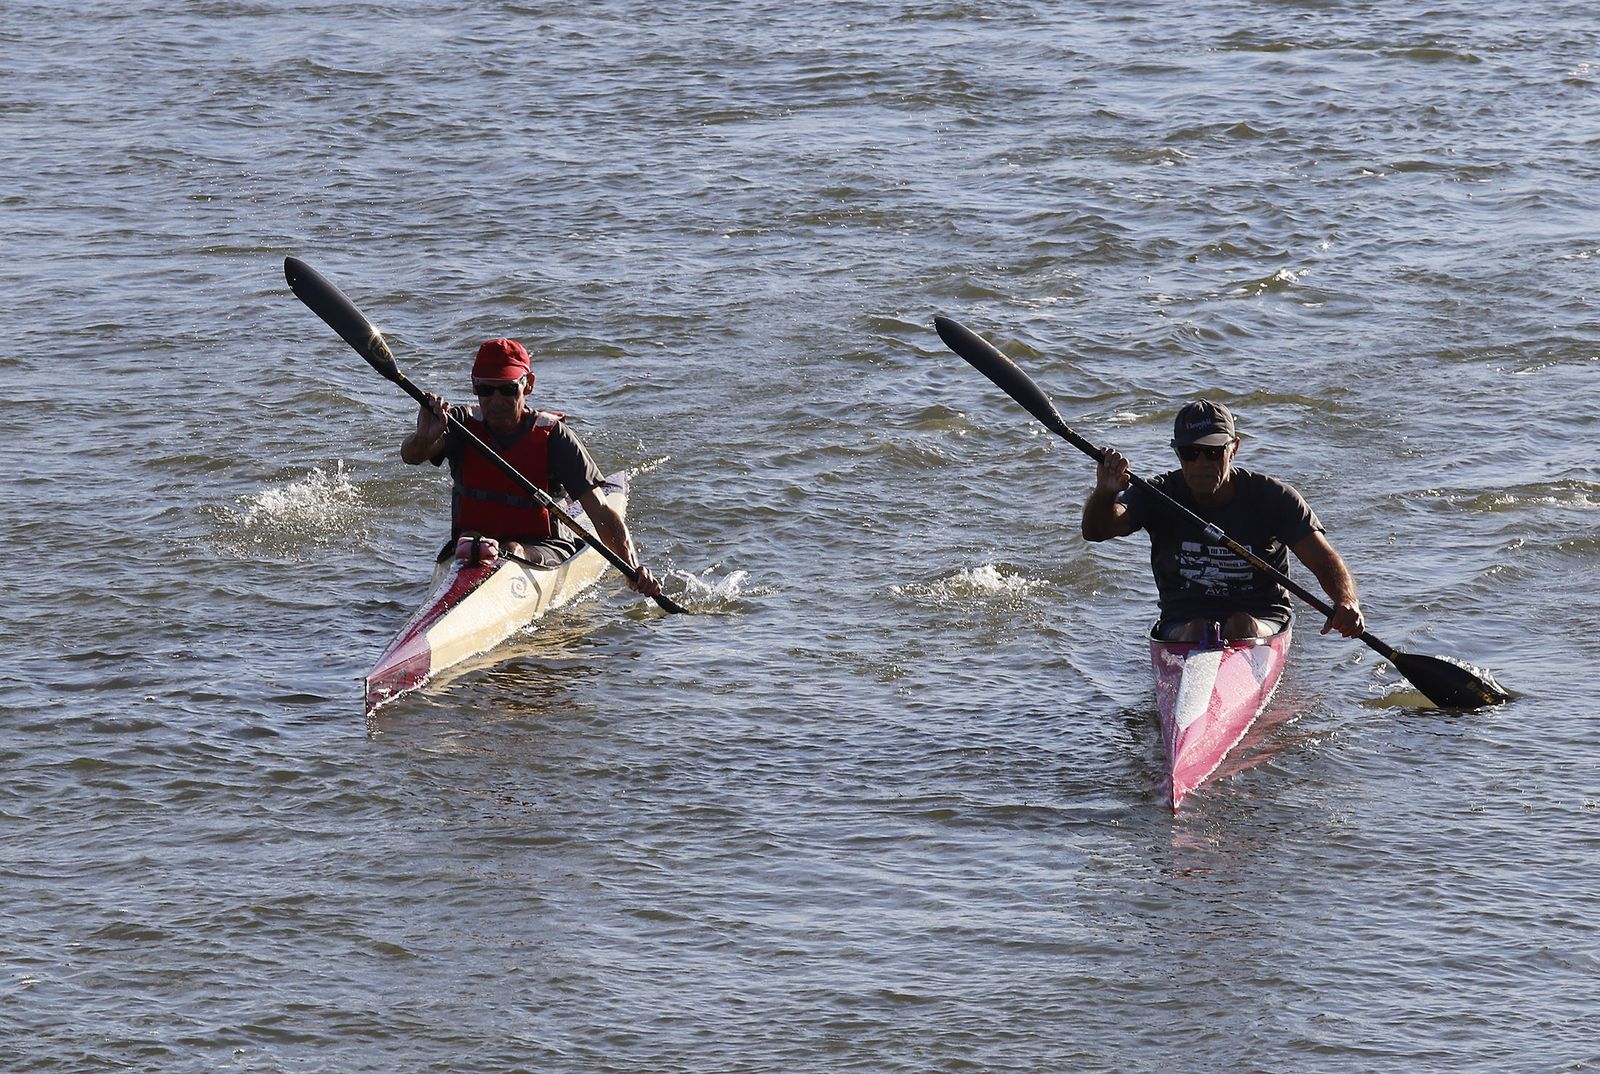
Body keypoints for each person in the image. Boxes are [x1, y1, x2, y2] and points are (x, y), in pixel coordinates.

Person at [1081, 399, 1362, 643]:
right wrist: (1105, 494)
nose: (1202, 463)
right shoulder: (1159, 494)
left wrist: (1346, 601)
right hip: (1182, 624)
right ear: (1178, 453)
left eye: (1214, 452)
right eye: (1191, 453)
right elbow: (1097, 531)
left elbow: (1324, 560)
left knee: (1241, 625)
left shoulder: (1273, 498)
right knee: (1197, 630)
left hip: (1261, 619)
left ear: (1234, 449)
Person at [400, 337, 661, 598]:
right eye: (486, 390)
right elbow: (412, 456)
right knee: (471, 539)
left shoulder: (554, 437)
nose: (496, 401)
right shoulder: (459, 424)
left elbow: (601, 512)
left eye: (508, 390)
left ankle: (497, 563)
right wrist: (423, 438)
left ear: (529, 386)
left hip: (542, 548)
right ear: (474, 387)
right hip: (471, 548)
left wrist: (633, 568)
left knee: (513, 549)